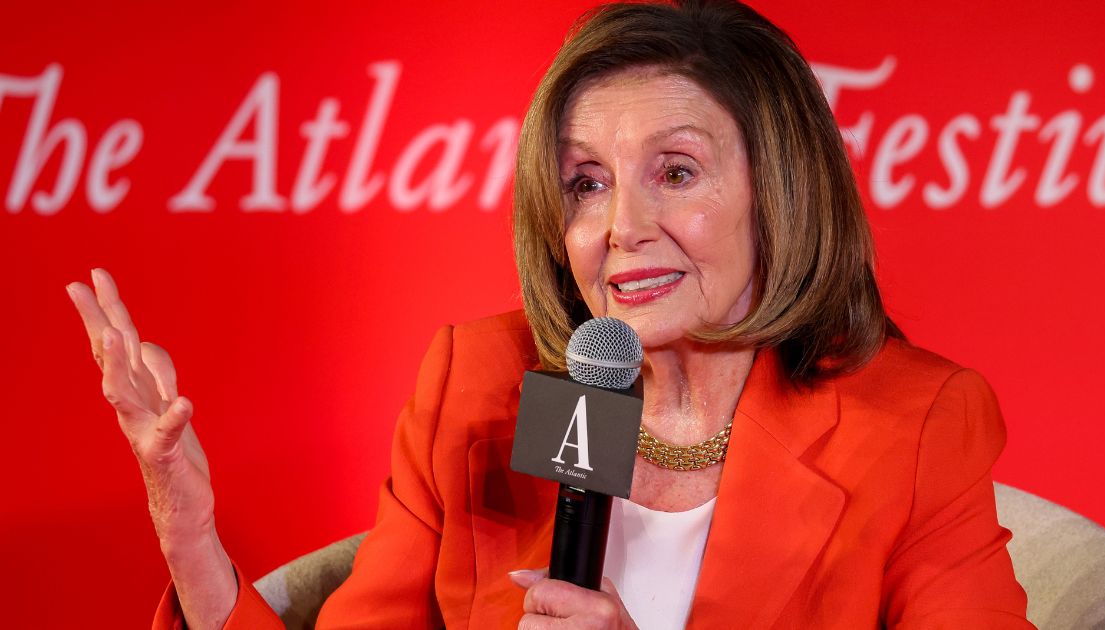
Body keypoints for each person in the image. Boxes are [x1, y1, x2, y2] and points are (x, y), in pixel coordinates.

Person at [66, 1, 1034, 628]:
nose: (621, 227)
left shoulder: (914, 423)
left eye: (678, 172)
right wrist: (193, 537)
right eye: (584, 183)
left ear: (781, 190)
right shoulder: (481, 381)